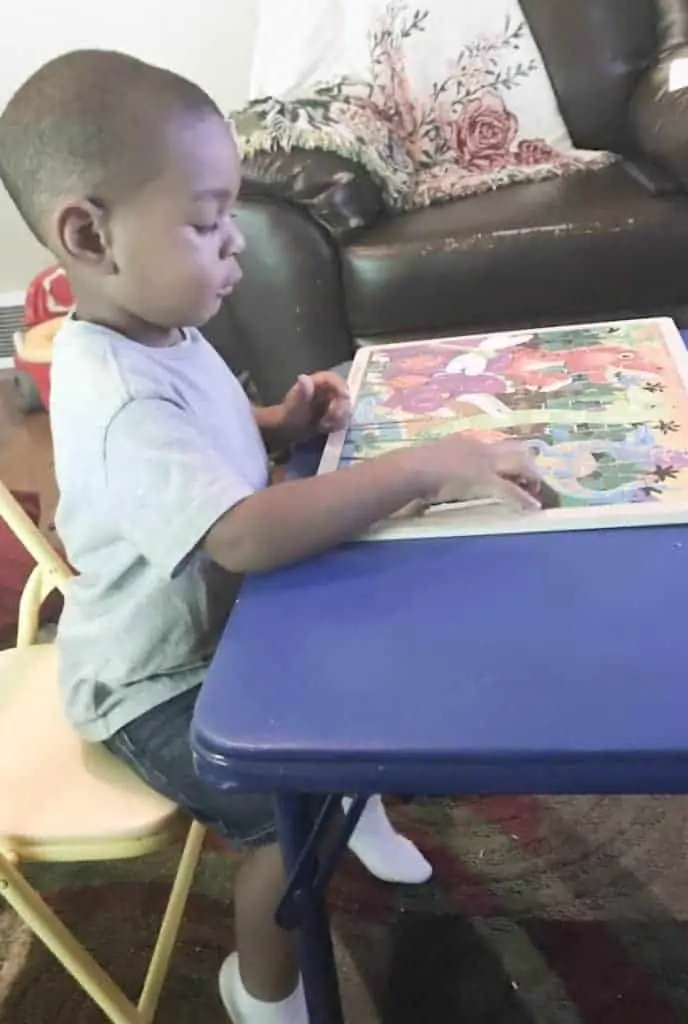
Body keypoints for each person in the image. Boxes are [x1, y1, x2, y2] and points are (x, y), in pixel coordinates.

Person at [0, 50, 542, 1024]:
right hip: (151, 683)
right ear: (90, 234)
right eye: (208, 223)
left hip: (224, 631)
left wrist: (277, 423)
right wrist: (418, 466)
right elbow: (239, 535)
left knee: (370, 654)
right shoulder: (115, 395)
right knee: (282, 830)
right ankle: (261, 992)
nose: (235, 246)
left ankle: (356, 796)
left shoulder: (153, 328)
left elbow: (205, 432)